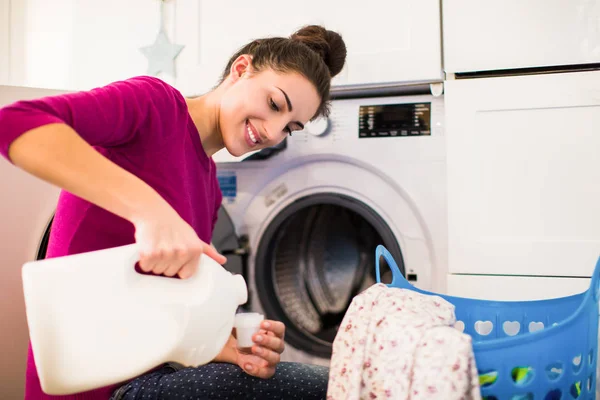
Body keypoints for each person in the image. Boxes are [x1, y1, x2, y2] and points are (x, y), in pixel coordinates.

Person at [0, 24, 347, 400]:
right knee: (339, 390)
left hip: (147, 373)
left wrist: (221, 343)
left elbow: (162, 309)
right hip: (88, 385)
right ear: (241, 68)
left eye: (290, 128)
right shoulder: (156, 105)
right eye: (275, 105)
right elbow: (15, 123)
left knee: (335, 384)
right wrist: (149, 210)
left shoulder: (210, 189)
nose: (273, 132)